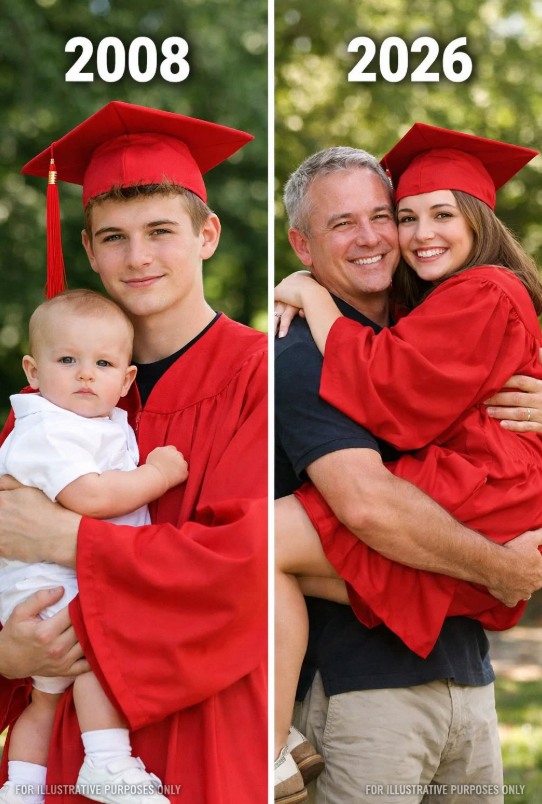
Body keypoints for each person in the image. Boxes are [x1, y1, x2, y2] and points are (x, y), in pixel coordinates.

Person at [0, 101, 267, 804]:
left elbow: (247, 567)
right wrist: (6, 652)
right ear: (87, 251)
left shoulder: (262, 374)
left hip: (205, 723)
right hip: (64, 735)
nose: (137, 257)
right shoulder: (51, 403)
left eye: (160, 231)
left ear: (207, 234)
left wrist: (71, 537)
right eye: (112, 237)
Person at [274, 143, 542, 804]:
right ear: (302, 246)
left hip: (468, 687)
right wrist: (503, 572)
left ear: (479, 222)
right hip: (367, 699)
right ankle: (269, 737)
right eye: (409, 215)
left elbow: (395, 384)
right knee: (253, 544)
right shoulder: (299, 353)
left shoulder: (467, 299)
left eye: (384, 216)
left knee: (251, 545)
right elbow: (368, 506)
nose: (406, 235)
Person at [0, 289, 189, 804]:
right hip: (51, 582)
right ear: (34, 373)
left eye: (102, 363)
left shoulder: (94, 425)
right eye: (67, 360)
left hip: (45, 582)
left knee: (42, 700)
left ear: (126, 380)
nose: (85, 374)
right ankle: (107, 763)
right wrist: (158, 474)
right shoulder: (47, 428)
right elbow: (91, 496)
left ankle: (20, 788)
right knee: (98, 656)